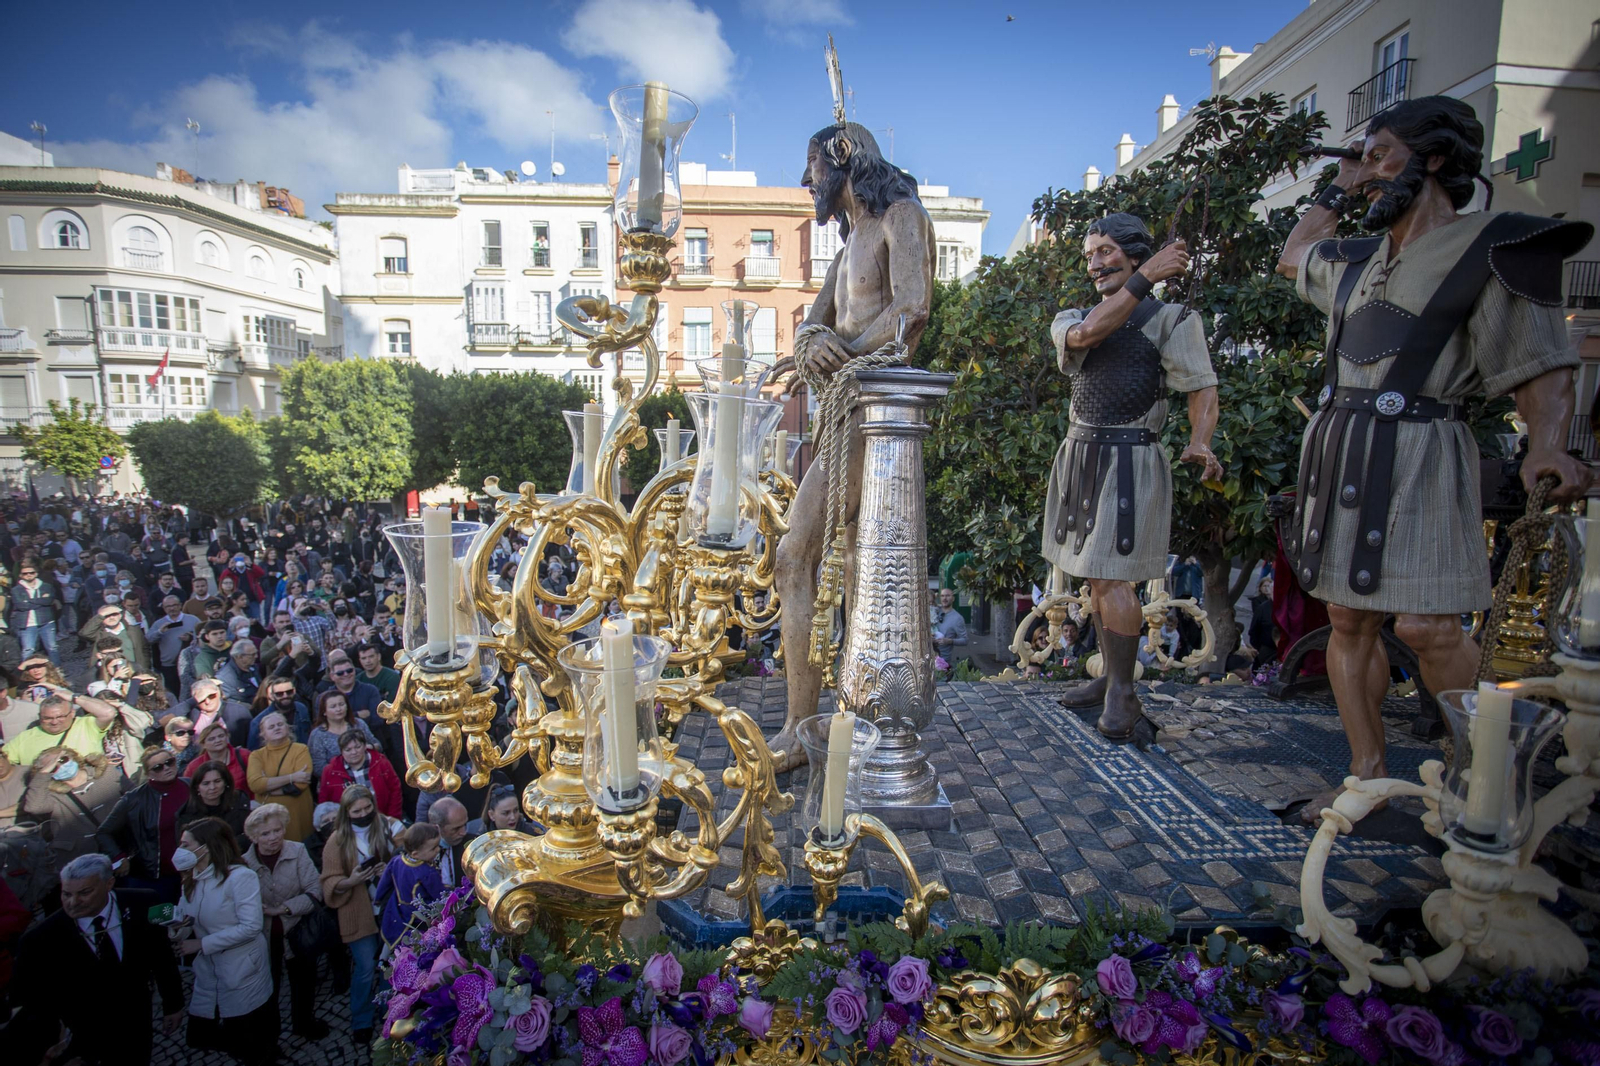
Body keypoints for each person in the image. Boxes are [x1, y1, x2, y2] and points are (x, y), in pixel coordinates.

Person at [1275, 96, 1592, 818]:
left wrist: (1548, 443)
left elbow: (1541, 366)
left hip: (1422, 445)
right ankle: (1365, 778)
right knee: (1348, 617)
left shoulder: (1495, 246)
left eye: (1380, 152)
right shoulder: (1357, 261)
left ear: (1435, 159)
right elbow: (1294, 254)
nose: (1369, 171)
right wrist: (1339, 183)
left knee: (1430, 626)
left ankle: (1480, 784)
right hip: (1342, 448)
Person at [771, 113, 935, 771]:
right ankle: (803, 720)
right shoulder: (845, 250)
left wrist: (841, 356)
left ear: (842, 157)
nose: (805, 181)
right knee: (793, 556)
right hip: (844, 413)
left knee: (821, 557)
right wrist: (814, 343)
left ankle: (823, 722)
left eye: (811, 167)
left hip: (879, 409)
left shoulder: (901, 216)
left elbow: (912, 308)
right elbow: (809, 329)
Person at [1044, 213, 1222, 739]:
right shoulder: (1073, 316)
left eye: (1107, 251)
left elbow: (1201, 388)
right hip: (1081, 455)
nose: (1096, 263)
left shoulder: (1174, 321)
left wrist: (1200, 440)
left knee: (1112, 574)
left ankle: (1122, 694)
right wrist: (1149, 277)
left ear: (1134, 252)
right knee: (1097, 576)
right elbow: (1090, 333)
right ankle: (1109, 680)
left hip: (1129, 457)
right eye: (1090, 254)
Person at [11, 854, 183, 1066]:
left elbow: (161, 956)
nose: (73, 903)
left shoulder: (144, 902)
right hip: (82, 1039)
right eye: (66, 894)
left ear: (109, 883)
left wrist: (173, 1004)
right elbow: (32, 1001)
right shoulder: (39, 940)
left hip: (137, 1023)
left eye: (84, 893)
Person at [173, 818, 279, 1065]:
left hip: (243, 967)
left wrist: (201, 944)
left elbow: (251, 926)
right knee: (211, 1032)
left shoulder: (240, 877)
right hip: (211, 971)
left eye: (186, 845)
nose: (180, 851)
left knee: (251, 1034)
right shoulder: (192, 878)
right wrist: (175, 931)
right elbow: (187, 917)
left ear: (207, 846)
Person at [242, 802, 330, 1041]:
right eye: (265, 833)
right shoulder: (244, 864)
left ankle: (304, 1023)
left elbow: (314, 891)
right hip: (263, 938)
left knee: (303, 983)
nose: (273, 837)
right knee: (266, 990)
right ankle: (268, 1038)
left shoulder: (298, 851)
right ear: (253, 837)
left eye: (277, 830)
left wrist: (283, 908)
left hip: (297, 931)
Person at [320, 785, 390, 1046]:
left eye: (367, 808)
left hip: (383, 910)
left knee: (386, 967)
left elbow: (401, 858)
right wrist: (351, 881)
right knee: (364, 968)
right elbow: (328, 881)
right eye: (356, 811)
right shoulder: (337, 840)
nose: (363, 814)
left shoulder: (382, 827)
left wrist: (387, 870)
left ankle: (388, 1013)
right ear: (346, 813)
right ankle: (361, 1019)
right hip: (357, 912)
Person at [97, 745, 191, 901]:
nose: (166, 768)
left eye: (170, 762)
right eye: (158, 767)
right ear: (149, 774)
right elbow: (103, 832)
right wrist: (119, 859)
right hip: (156, 877)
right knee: (161, 920)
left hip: (193, 870)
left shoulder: (190, 785)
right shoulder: (134, 799)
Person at [22, 747, 128, 873]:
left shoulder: (108, 774)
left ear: (75, 757)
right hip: (82, 858)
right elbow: (34, 807)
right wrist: (44, 774)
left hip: (122, 845)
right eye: (54, 766)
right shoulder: (52, 794)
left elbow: (138, 798)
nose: (61, 766)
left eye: (63, 759)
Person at [2, 690, 118, 768]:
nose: (54, 722)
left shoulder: (86, 724)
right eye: (47, 718)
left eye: (60, 716)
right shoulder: (25, 737)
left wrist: (74, 697)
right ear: (39, 717)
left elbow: (108, 712)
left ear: (72, 713)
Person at [373, 821, 444, 944]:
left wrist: (378, 898)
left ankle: (382, 961)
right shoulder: (426, 872)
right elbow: (439, 894)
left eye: (438, 845)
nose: (438, 850)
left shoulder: (396, 860)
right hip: (419, 916)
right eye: (433, 848)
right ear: (416, 853)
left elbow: (384, 883)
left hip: (396, 907)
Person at [248, 711, 314, 841]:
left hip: (297, 814)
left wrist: (268, 787)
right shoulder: (256, 756)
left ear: (287, 728)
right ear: (263, 734)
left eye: (280, 724)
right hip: (268, 818)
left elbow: (300, 785)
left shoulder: (301, 749)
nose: (277, 728)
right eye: (271, 727)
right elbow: (255, 784)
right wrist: (292, 777)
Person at [318, 728, 403, 816]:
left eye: (358, 747)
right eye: (348, 750)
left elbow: (395, 790)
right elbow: (324, 802)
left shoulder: (381, 762)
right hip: (347, 824)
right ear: (341, 751)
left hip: (382, 817)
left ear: (365, 746)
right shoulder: (330, 771)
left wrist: (393, 817)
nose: (354, 752)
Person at [307, 688, 381, 779]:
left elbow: (378, 746)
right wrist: (345, 772)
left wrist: (369, 747)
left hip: (368, 775)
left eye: (341, 704)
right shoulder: (317, 735)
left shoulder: (358, 724)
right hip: (335, 781)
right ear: (324, 712)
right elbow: (318, 767)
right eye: (333, 706)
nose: (339, 709)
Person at [177, 760, 251, 840]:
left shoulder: (239, 801)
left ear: (226, 782)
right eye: (206, 783)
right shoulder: (186, 816)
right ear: (197, 787)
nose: (212, 787)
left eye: (217, 781)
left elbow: (249, 835)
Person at [173, 679, 253, 748]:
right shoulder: (192, 713)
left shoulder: (238, 711)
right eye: (202, 699)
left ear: (218, 694)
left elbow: (251, 739)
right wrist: (190, 703)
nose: (207, 701)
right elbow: (165, 718)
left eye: (211, 696)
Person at [147, 594, 200, 696]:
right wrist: (160, 632)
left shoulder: (193, 620)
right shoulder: (159, 623)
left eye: (175, 605)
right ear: (164, 608)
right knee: (172, 693)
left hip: (190, 664)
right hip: (169, 666)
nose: (172, 608)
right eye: (168, 606)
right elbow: (148, 639)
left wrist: (191, 638)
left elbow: (203, 637)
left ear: (180, 605)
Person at [8, 559, 61, 662]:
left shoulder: (46, 586)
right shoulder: (16, 590)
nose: (29, 575)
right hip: (27, 624)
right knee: (28, 650)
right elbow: (21, 606)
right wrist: (41, 601)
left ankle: (57, 670)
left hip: (46, 622)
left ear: (36, 574)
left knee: (52, 648)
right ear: (21, 575)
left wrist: (29, 601)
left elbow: (49, 601)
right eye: (25, 573)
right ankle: (26, 673)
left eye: (31, 572)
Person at [186, 720, 253, 795]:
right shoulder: (194, 766)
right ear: (203, 744)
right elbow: (188, 791)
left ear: (227, 737)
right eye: (211, 739)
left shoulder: (244, 755)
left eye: (221, 736)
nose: (218, 740)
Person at [249, 676, 312, 746]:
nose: (285, 696)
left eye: (289, 692)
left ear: (294, 691)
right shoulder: (258, 722)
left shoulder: (302, 708)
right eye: (279, 694)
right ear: (272, 696)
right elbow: (254, 751)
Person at [428, 795, 471, 889]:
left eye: (465, 824)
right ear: (437, 828)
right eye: (456, 829)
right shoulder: (422, 851)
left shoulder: (472, 844)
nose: (463, 832)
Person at [468, 782, 539, 836]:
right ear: (491, 815)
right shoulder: (480, 839)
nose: (513, 817)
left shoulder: (532, 833)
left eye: (515, 810)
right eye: (506, 813)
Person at [215, 640, 262, 704]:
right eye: (252, 655)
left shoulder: (253, 668)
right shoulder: (224, 678)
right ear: (239, 656)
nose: (256, 656)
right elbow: (225, 702)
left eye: (256, 653)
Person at [1247, 577, 1278, 669]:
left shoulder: (1288, 607)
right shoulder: (1262, 609)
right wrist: (1260, 649)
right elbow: (1253, 631)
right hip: (1267, 649)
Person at [929, 587, 969, 658]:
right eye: (942, 596)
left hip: (942, 659)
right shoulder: (934, 610)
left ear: (953, 598)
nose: (944, 598)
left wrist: (950, 641)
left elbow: (965, 640)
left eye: (947, 596)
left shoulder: (957, 618)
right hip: (927, 656)